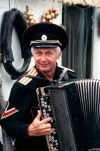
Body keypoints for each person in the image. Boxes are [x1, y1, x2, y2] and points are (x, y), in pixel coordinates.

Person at [0, 22, 76, 151]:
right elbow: (7, 123)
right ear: (33, 54)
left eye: (49, 53)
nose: (43, 59)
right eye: (38, 53)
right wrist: (29, 130)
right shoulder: (24, 85)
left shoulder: (69, 77)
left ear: (59, 54)